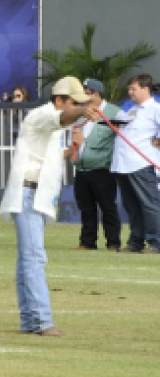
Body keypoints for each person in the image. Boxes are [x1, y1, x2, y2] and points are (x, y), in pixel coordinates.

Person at [0, 76, 99, 337]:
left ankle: (30, 320)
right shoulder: (41, 115)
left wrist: (73, 146)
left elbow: (52, 152)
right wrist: (83, 112)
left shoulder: (53, 125)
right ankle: (42, 320)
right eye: (73, 102)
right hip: (29, 194)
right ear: (59, 101)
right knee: (34, 258)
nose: (79, 106)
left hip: (37, 195)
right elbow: (63, 119)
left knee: (27, 259)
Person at [69, 78, 122, 251]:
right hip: (82, 168)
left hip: (102, 169)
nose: (83, 98)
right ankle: (87, 241)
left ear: (97, 94)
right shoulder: (80, 113)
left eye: (87, 94)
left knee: (108, 207)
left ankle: (113, 242)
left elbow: (120, 140)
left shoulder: (114, 113)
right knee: (86, 208)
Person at [110, 74, 160, 254]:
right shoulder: (130, 110)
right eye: (129, 89)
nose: (130, 93)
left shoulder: (155, 108)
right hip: (123, 164)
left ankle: (155, 242)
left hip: (142, 163)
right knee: (132, 206)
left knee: (149, 204)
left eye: (134, 89)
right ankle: (135, 241)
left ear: (146, 89)